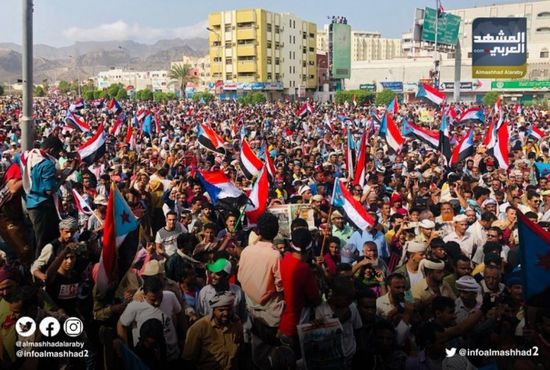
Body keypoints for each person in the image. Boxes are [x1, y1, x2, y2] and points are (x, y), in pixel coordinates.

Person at [117, 276, 181, 363]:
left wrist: (184, 336)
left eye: (160, 297)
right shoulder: (135, 306)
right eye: (153, 299)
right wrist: (127, 351)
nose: (157, 302)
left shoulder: (170, 296)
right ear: (144, 295)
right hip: (147, 360)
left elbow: (179, 313)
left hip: (172, 355)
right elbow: (121, 325)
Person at [278, 228, 322, 350]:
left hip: (283, 323)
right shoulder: (303, 269)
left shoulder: (285, 259)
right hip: (297, 325)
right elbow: (315, 299)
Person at [23, 136, 68, 254]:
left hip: (31, 203)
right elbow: (50, 191)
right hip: (42, 206)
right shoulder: (47, 164)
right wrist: (63, 178)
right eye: (57, 153)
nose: (57, 156)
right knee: (43, 240)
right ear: (52, 150)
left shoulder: (31, 156)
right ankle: (37, 267)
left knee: (35, 238)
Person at [183, 291, 244, 370]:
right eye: (221, 310)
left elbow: (241, 352)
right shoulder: (199, 328)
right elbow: (188, 360)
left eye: (229, 309)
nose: (226, 313)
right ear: (214, 310)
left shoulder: (236, 323)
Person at [31, 217, 79, 283]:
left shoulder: (73, 243)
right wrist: (45, 277)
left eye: (72, 232)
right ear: (60, 231)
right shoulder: (51, 247)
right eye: (67, 232)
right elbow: (34, 268)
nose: (69, 235)